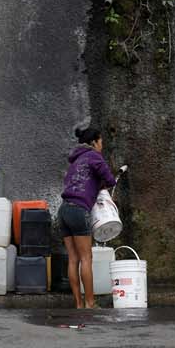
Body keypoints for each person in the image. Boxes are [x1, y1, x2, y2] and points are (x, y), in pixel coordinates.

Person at [58, 126, 120, 309]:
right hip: (78, 210)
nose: (102, 146)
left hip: (64, 211)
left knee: (73, 259)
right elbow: (110, 180)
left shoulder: (75, 161)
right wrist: (105, 185)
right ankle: (90, 303)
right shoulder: (94, 156)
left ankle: (79, 303)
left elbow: (80, 182)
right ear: (94, 142)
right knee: (86, 258)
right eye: (101, 142)